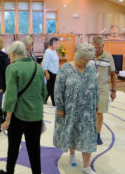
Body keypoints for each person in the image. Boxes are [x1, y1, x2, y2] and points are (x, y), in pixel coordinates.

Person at [0, 41, 47, 174]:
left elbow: (11, 96)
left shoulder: (12, 68)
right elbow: (44, 93)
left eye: (9, 55)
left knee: (13, 148)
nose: (9, 57)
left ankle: (9, 173)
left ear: (14, 54)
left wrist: (7, 119)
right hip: (36, 115)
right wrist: (35, 105)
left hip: (18, 116)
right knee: (34, 149)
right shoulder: (38, 68)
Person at [53, 43, 98, 174]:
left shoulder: (91, 68)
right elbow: (58, 89)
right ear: (78, 56)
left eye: (89, 59)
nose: (87, 62)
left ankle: (86, 167)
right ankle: (72, 155)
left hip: (87, 110)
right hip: (70, 110)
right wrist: (60, 107)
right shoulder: (66, 69)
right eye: (85, 59)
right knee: (72, 133)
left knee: (88, 137)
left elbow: (94, 86)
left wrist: (96, 103)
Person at [90, 36, 116, 145]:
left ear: (103, 46)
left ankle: (97, 134)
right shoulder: (88, 56)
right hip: (89, 88)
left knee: (99, 112)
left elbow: (113, 74)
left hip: (102, 88)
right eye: (94, 47)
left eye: (99, 47)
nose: (96, 50)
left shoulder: (108, 57)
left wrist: (114, 90)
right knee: (90, 112)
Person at [41, 37, 59, 106]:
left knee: (49, 88)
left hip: (54, 72)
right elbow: (44, 63)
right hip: (50, 72)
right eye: (56, 44)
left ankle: (44, 100)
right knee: (52, 89)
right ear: (53, 44)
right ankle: (54, 102)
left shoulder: (54, 51)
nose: (58, 45)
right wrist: (46, 73)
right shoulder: (48, 52)